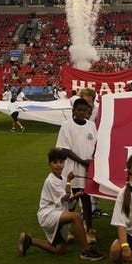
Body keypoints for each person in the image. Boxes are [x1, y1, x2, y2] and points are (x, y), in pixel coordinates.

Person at [18, 148, 104, 261]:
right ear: (49, 164)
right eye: (55, 162)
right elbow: (66, 196)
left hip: (57, 213)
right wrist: (69, 181)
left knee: (60, 250)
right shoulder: (50, 180)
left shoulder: (62, 179)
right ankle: (86, 250)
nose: (58, 165)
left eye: (61, 162)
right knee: (76, 216)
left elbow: (67, 200)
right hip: (48, 214)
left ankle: (29, 240)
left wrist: (76, 196)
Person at [55, 98, 97, 242]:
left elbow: (95, 145)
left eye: (84, 110)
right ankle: (65, 231)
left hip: (87, 169)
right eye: (78, 110)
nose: (81, 113)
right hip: (71, 169)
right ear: (73, 111)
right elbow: (64, 149)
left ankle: (89, 230)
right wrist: (82, 162)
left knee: (86, 198)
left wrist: (92, 161)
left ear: (87, 111)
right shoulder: (66, 125)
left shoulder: (91, 125)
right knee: (70, 200)